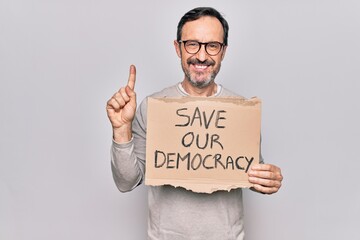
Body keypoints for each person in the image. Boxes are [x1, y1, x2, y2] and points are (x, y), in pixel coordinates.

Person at [106, 7, 283, 240]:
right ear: (177, 48)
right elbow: (127, 181)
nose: (201, 56)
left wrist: (268, 179)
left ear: (224, 51)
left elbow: (248, 172)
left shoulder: (241, 110)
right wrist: (121, 130)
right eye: (192, 44)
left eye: (212, 46)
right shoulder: (154, 106)